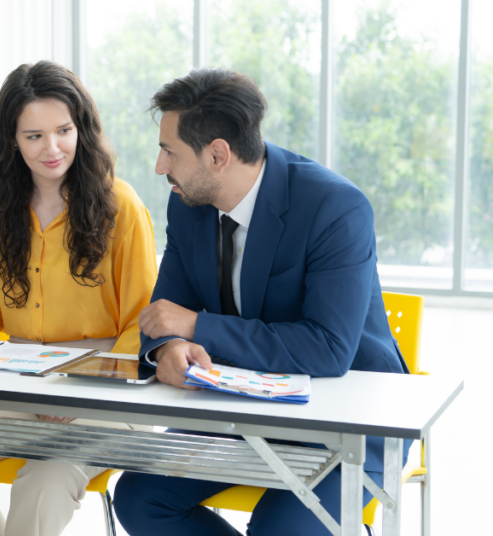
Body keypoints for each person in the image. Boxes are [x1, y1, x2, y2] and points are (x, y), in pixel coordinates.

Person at [112, 68, 411, 536]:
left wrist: (197, 328)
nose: (159, 166)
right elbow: (165, 313)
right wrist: (169, 348)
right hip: (242, 412)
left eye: (169, 151)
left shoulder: (336, 207)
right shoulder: (186, 203)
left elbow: (328, 350)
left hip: (345, 424)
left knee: (281, 529)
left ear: (217, 155)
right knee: (139, 497)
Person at [0, 60, 158, 536]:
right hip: (23, 378)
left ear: (81, 129)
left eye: (63, 130)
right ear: (12, 140)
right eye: (34, 136)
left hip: (106, 386)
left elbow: (142, 326)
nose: (53, 148)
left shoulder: (121, 206)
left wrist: (84, 384)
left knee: (41, 482)